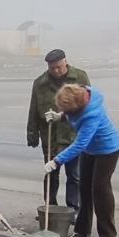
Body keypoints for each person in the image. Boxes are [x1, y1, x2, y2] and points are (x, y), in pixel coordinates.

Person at [46, 83, 119, 237]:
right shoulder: (81, 93)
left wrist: (56, 161)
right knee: (84, 187)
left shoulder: (91, 115)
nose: (65, 111)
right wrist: (60, 116)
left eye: (66, 109)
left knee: (100, 189)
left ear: (76, 107)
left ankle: (108, 233)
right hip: (91, 149)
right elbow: (72, 112)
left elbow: (79, 144)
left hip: (107, 149)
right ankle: (82, 229)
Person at [27, 49, 90, 211]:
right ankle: (50, 208)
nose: (55, 70)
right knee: (51, 174)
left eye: (59, 67)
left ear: (65, 63)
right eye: (52, 67)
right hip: (49, 136)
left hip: (72, 135)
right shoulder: (40, 83)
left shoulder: (80, 77)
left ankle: (73, 209)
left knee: (73, 175)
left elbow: (87, 105)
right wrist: (32, 133)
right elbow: (33, 109)